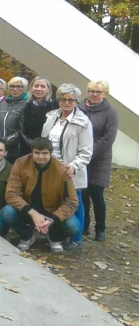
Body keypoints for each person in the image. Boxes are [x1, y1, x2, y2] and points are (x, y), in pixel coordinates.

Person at [2, 137, 80, 253]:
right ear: (32, 152)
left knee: (74, 226)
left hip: (52, 212)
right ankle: (27, 235)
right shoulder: (20, 164)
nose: (40, 156)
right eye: (37, 153)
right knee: (7, 212)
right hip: (27, 209)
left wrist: (53, 219)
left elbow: (71, 202)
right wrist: (33, 213)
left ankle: (54, 237)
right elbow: (11, 194)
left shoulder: (62, 170)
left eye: (44, 153)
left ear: (51, 153)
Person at [41, 83, 93, 249]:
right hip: (50, 168)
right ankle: (57, 232)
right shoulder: (52, 117)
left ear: (77, 102)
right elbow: (44, 141)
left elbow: (86, 152)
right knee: (55, 201)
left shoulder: (83, 122)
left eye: (71, 100)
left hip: (70, 170)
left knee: (75, 202)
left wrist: (73, 166)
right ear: (59, 100)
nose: (67, 102)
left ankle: (77, 239)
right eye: (63, 99)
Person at [79, 80, 118, 241]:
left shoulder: (110, 112)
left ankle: (100, 228)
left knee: (97, 194)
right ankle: (84, 226)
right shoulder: (79, 108)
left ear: (105, 94)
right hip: (80, 157)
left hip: (99, 159)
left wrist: (89, 152)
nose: (94, 94)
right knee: (83, 193)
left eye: (98, 92)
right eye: (91, 91)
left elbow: (108, 138)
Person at [19, 76, 55, 156]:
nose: (39, 89)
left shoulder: (54, 107)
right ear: (31, 88)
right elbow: (21, 130)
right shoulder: (24, 107)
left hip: (49, 149)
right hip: (27, 149)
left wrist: (45, 145)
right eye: (36, 86)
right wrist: (34, 145)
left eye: (43, 86)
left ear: (48, 90)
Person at [0, 76, 29, 162]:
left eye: (19, 87)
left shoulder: (26, 105)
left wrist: (7, 140)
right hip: (1, 145)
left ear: (24, 89)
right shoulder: (3, 104)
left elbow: (23, 129)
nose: (15, 89)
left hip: (18, 147)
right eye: (12, 86)